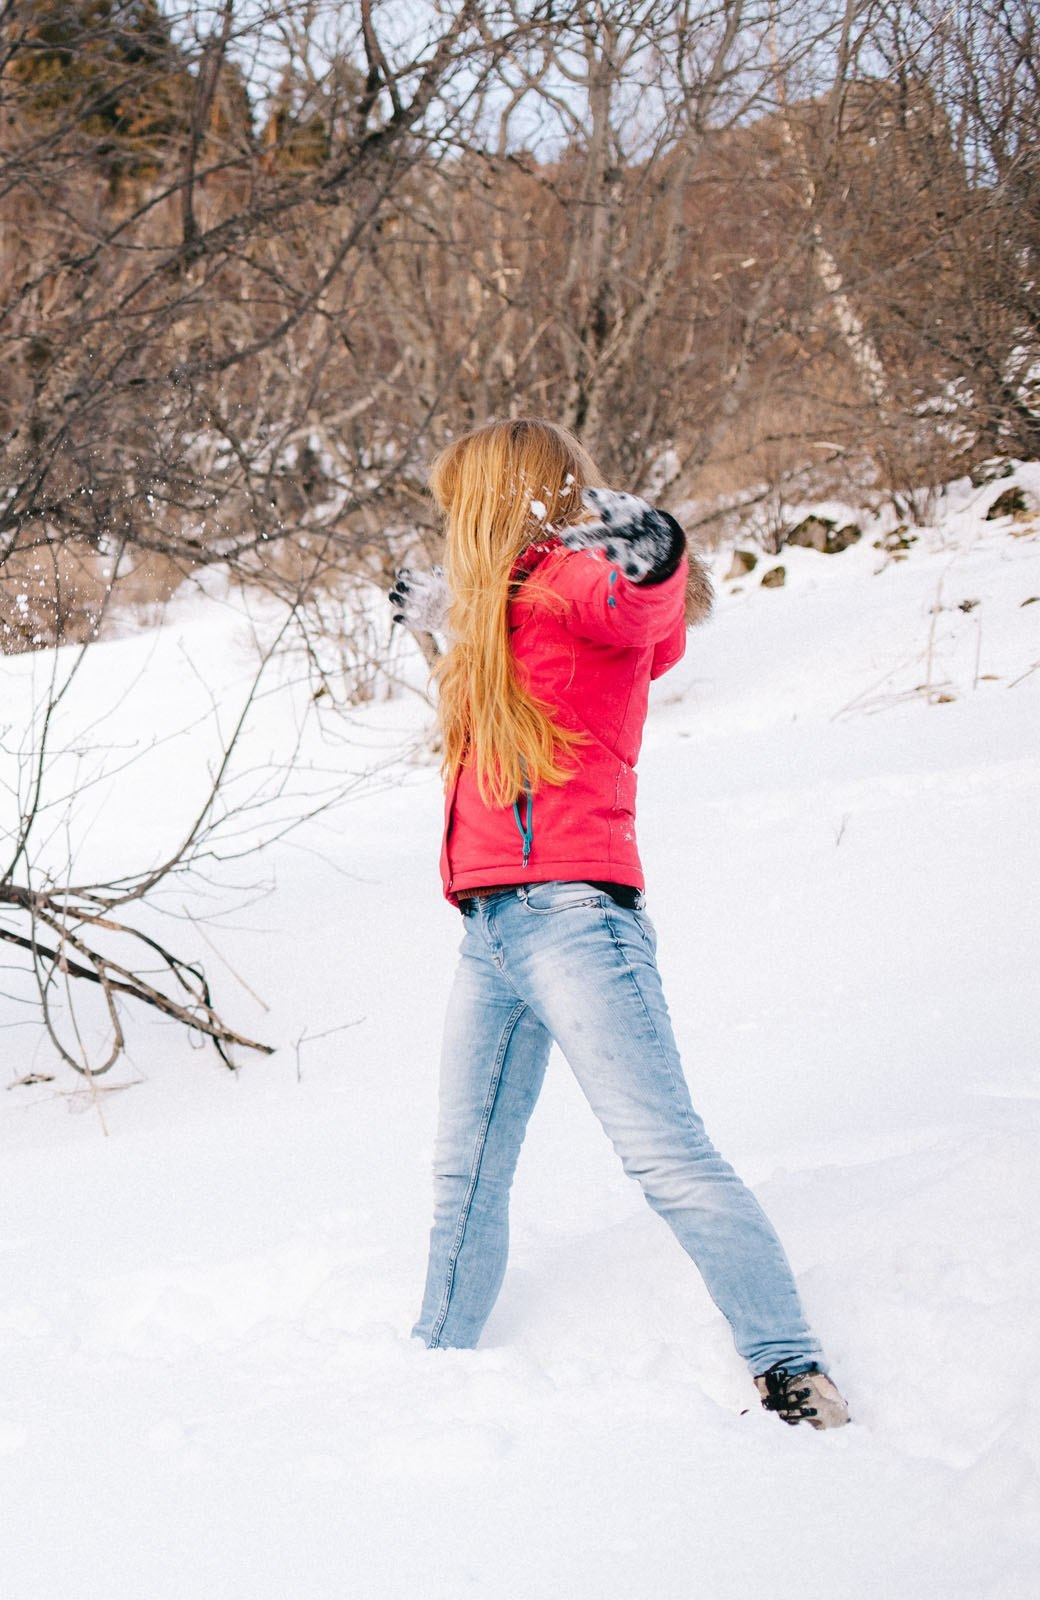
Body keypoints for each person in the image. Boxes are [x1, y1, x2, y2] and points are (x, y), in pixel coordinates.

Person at [390, 418, 848, 1429]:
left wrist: (658, 558)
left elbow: (645, 619)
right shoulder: (511, 614)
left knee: (666, 1156)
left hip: (573, 923)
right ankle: (429, 1363)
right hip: (493, 932)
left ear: (503, 496)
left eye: (461, 498)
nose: (450, 518)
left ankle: (789, 1367)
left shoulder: (570, 585)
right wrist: (450, 624)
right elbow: (516, 664)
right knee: (467, 1168)